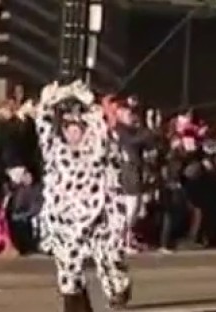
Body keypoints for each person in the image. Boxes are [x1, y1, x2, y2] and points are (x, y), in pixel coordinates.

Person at [33, 82, 132, 310]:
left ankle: (118, 289)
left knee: (111, 259)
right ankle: (76, 303)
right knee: (68, 268)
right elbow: (43, 124)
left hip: (97, 216)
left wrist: (89, 103)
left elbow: (102, 130)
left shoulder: (95, 148)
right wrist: (49, 100)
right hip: (65, 218)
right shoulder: (54, 149)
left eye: (78, 125)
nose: (73, 131)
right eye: (68, 126)